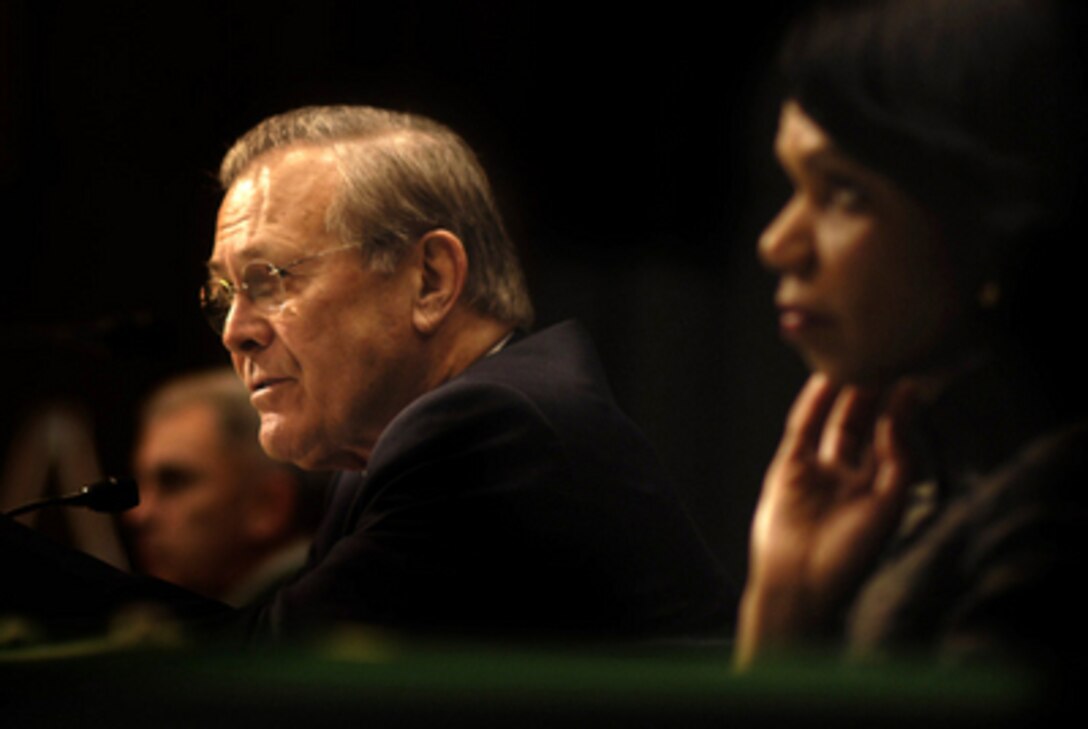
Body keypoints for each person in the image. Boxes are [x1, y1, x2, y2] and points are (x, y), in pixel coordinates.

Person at [199, 105, 733, 642]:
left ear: (430, 280)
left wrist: (111, 601)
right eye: (223, 295)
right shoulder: (377, 452)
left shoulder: (489, 431)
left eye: (268, 280)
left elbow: (271, 664)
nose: (234, 331)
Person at [736, 0, 1088, 680]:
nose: (778, 244)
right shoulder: (931, 489)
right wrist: (784, 608)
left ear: (990, 223)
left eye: (842, 192)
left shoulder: (1049, 529)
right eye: (792, 184)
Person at [125, 368, 322, 607]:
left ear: (268, 504)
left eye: (174, 483)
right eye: (142, 485)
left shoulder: (313, 622)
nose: (139, 515)